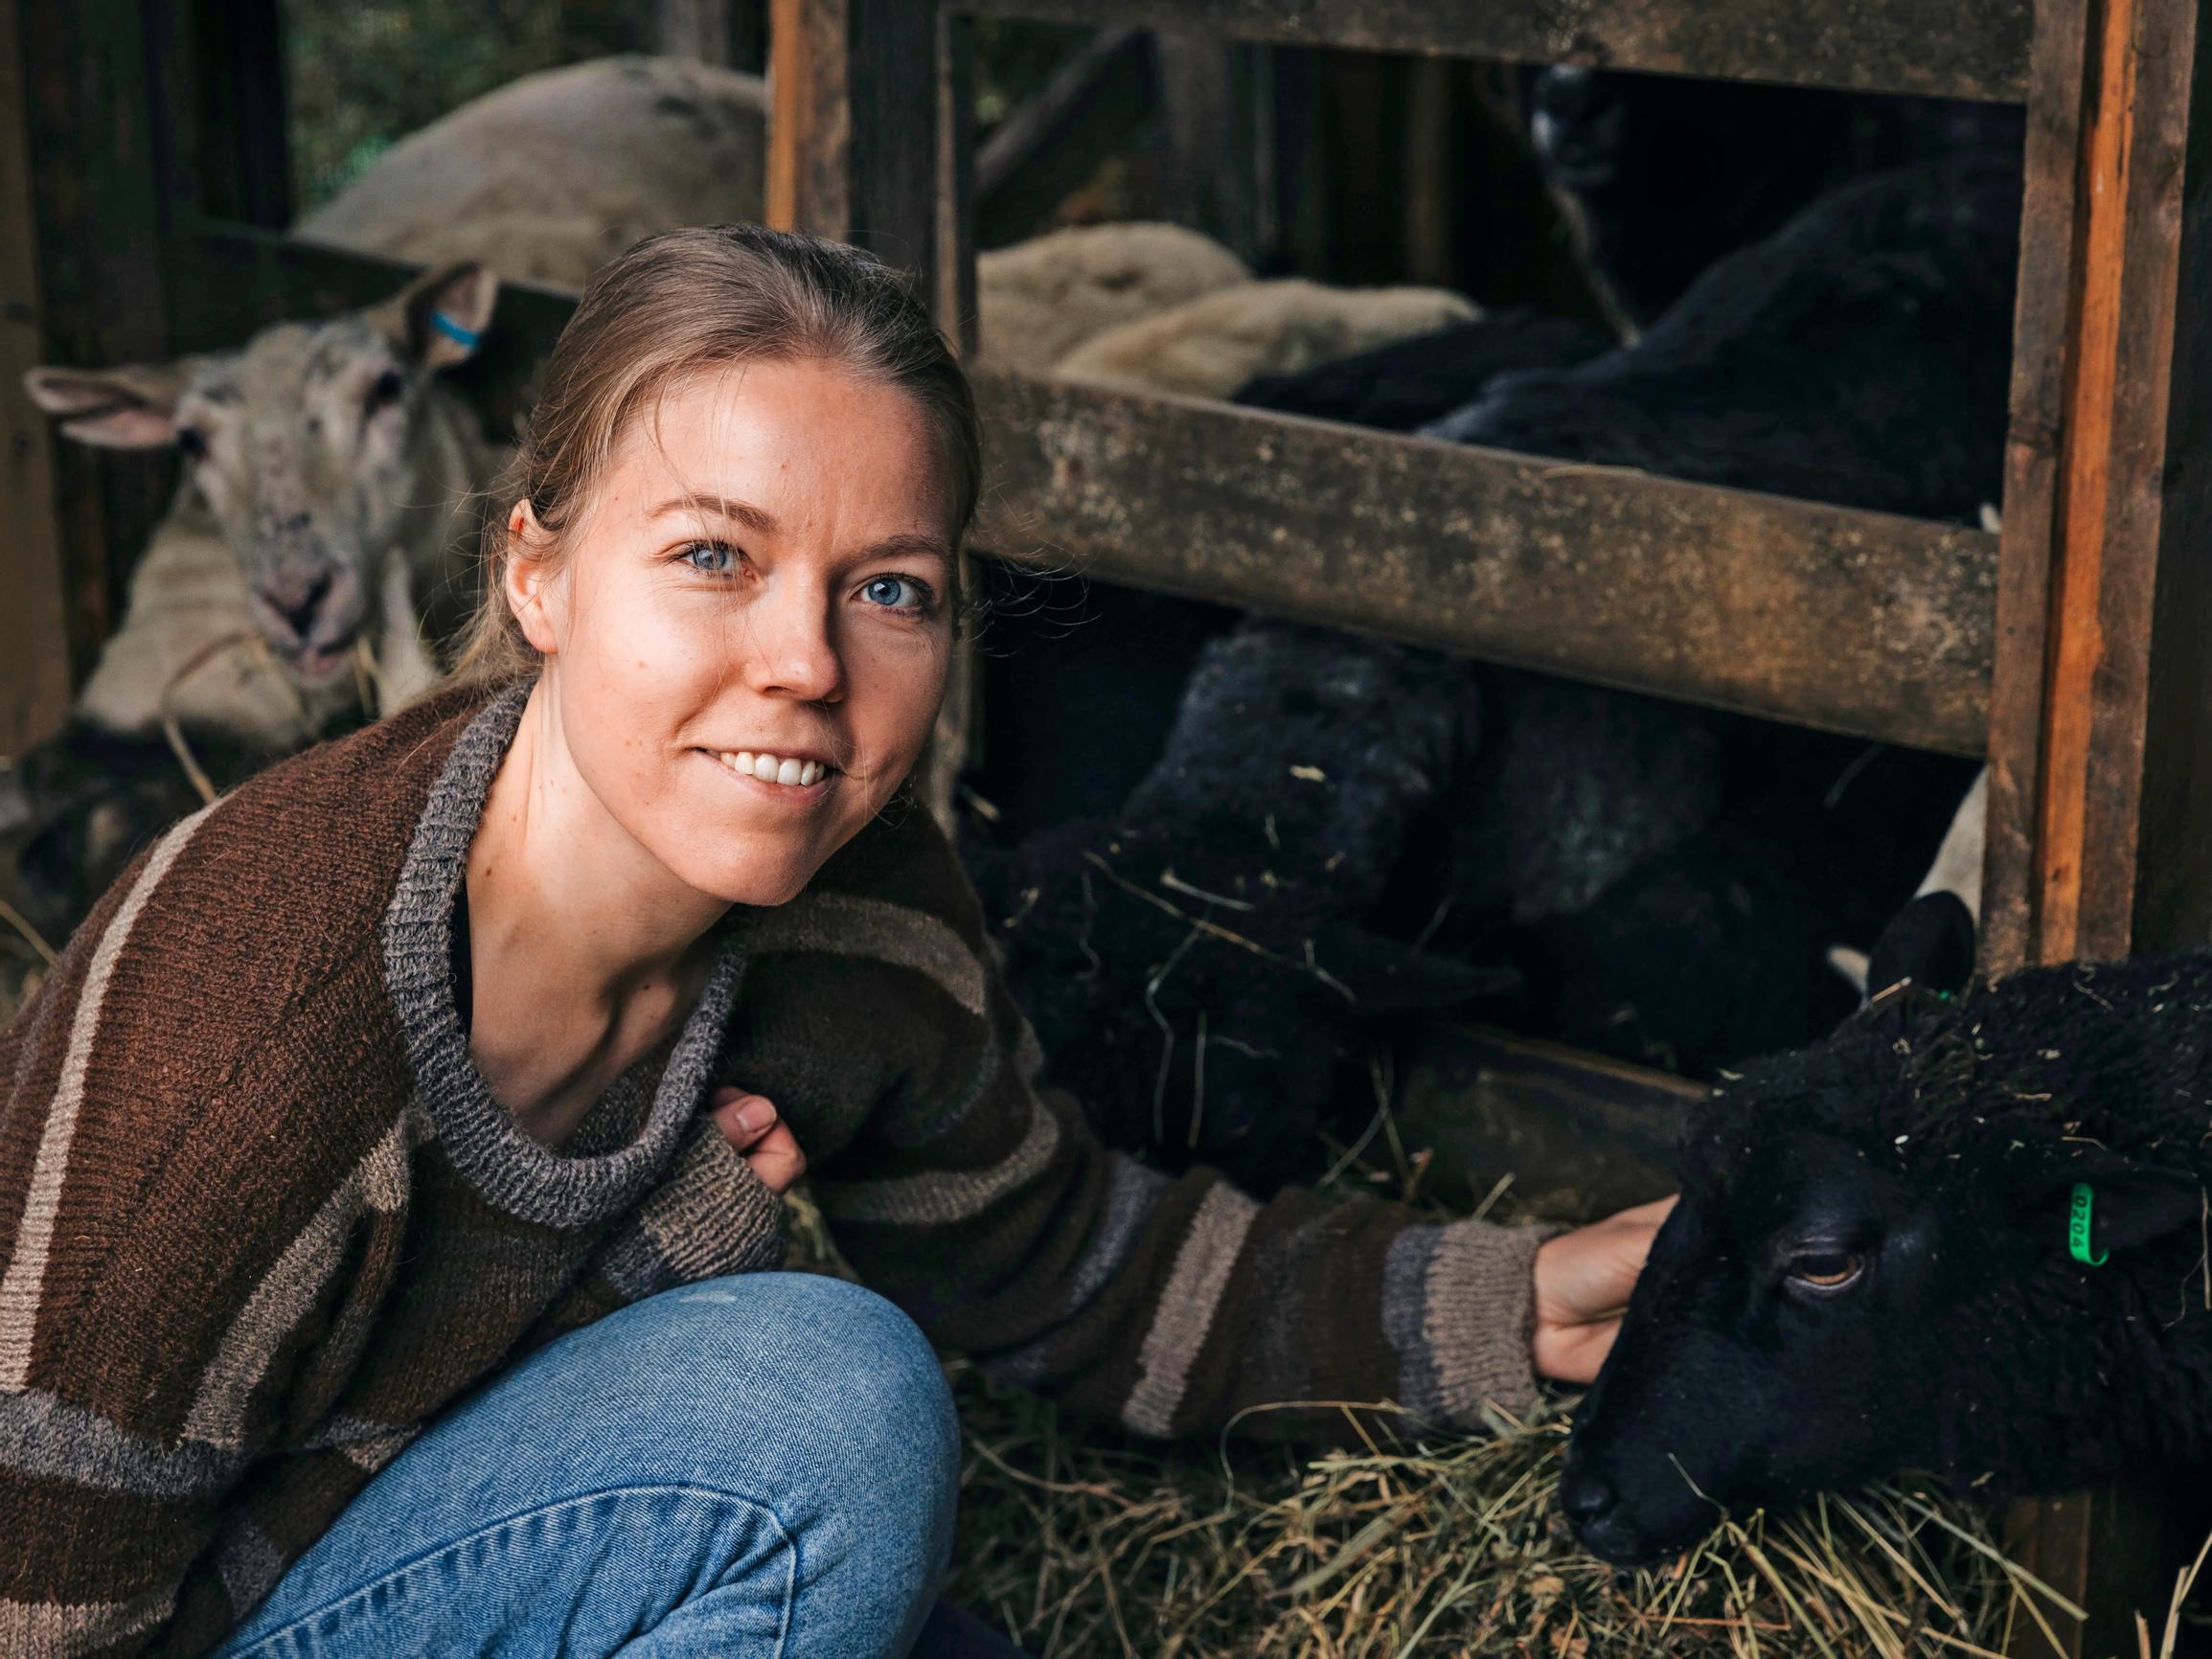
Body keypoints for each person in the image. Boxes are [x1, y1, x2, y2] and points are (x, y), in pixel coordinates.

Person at [0, 224, 1670, 1659]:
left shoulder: (855, 912)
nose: (806, 663)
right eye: (711, 556)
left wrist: (1510, 1303)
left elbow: (1062, 1256)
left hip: (360, 1555)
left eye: (888, 589)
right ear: (538, 577)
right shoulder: (244, 1051)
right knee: (816, 1409)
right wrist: (628, 1287)